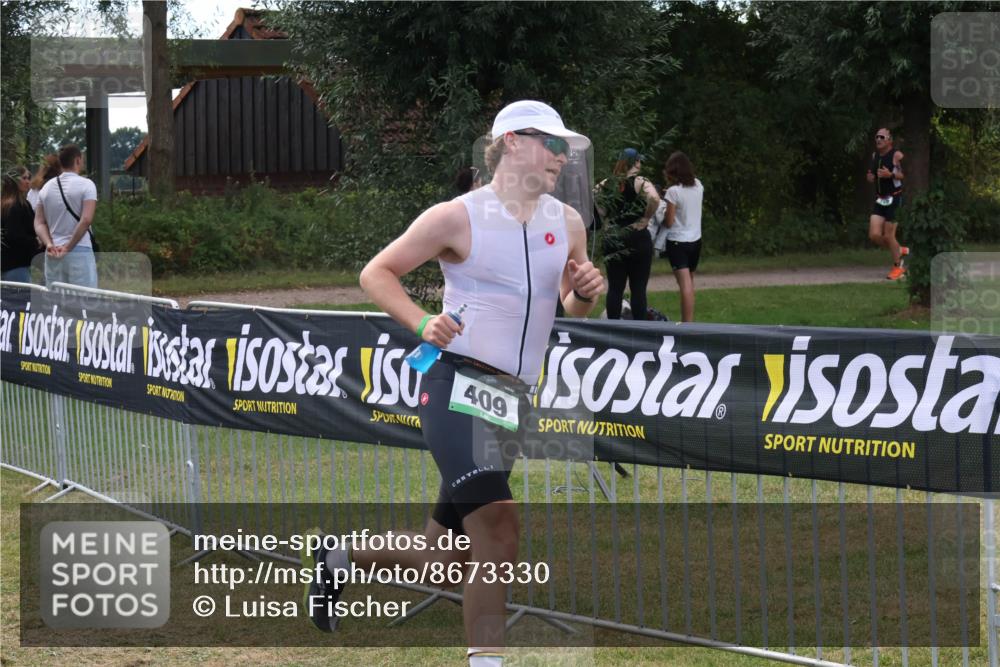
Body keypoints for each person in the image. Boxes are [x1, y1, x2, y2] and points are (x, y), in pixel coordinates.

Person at [303, 100, 604, 666]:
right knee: (498, 526)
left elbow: (569, 309)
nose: (563, 158)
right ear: (512, 142)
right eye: (552, 144)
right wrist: (421, 322)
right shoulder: (457, 216)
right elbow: (376, 272)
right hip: (453, 383)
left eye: (567, 149)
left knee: (445, 557)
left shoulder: (566, 223)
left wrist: (586, 289)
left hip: (510, 399)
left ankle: (338, 557)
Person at [595, 148, 659, 319]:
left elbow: (595, 197)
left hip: (613, 237)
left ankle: (613, 329)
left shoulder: (606, 183)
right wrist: (646, 217)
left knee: (615, 288)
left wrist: (606, 218)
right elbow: (654, 198)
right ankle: (638, 330)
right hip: (637, 236)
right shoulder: (641, 182)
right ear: (636, 162)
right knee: (638, 288)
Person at [34, 144, 98, 288]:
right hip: (80, 249)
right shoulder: (87, 185)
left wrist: (49, 244)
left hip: (53, 252)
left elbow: (39, 222)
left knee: (56, 302)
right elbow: (86, 219)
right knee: (85, 301)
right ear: (77, 160)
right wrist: (68, 247)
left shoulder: (46, 188)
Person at [662, 151, 704, 322]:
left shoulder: (672, 192)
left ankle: (687, 325)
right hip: (696, 241)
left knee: (684, 286)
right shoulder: (699, 186)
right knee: (690, 283)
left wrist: (664, 207)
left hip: (678, 242)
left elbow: (669, 222)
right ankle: (690, 321)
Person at [866, 127, 909, 281]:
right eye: (877, 136)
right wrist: (870, 177)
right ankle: (898, 249)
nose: (878, 139)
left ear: (889, 140)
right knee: (874, 235)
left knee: (889, 235)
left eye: (882, 137)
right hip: (880, 199)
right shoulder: (875, 155)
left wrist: (890, 174)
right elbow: (870, 174)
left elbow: (905, 174)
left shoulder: (896, 155)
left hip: (895, 198)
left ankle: (899, 267)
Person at [1, 166, 41, 283]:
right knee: (20, 299)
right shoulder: (16, 205)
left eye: (29, 177)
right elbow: (14, 235)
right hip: (17, 264)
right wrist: (35, 241)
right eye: (24, 178)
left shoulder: (5, 204)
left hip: (8, 263)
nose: (28, 181)